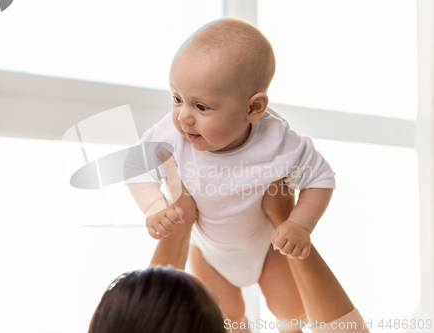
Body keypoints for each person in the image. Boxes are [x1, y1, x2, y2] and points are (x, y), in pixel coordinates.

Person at [124, 18, 335, 331]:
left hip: (267, 247)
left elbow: (321, 179)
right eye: (177, 98)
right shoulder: (172, 135)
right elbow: (134, 165)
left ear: (253, 109)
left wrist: (299, 224)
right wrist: (155, 206)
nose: (184, 116)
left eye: (202, 107)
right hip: (210, 254)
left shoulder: (276, 141)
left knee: (292, 310)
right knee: (227, 317)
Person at [90, 154, 369, 333]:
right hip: (238, 244)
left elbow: (156, 312)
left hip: (235, 241)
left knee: (288, 311)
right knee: (288, 313)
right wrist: (284, 217)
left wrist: (180, 219)